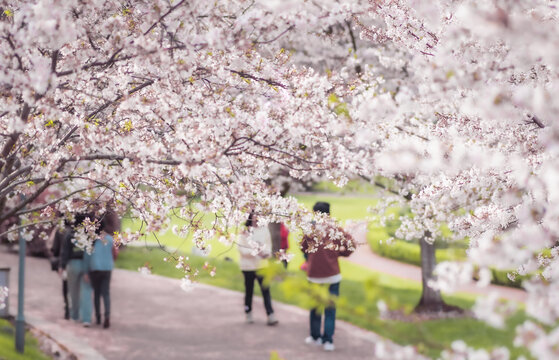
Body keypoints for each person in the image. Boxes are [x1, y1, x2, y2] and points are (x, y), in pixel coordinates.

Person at [301, 202, 354, 352]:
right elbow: (351, 245)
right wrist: (340, 253)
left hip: (315, 275)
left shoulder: (310, 230)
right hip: (332, 274)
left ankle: (315, 336)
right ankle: (328, 340)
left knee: (316, 307)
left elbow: (303, 248)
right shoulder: (335, 229)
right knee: (330, 309)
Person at [238, 212, 278, 326]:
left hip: (262, 266)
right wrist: (256, 253)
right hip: (248, 266)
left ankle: (270, 314)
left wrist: (265, 254)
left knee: (266, 290)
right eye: (255, 214)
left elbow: (269, 247)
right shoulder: (244, 231)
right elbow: (242, 250)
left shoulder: (264, 229)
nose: (257, 217)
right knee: (249, 291)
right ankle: (248, 312)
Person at [60, 213, 93, 327]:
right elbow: (89, 251)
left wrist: (62, 266)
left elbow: (65, 251)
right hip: (85, 263)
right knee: (86, 291)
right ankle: (86, 318)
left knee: (73, 292)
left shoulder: (70, 234)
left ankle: (74, 316)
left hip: (72, 263)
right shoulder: (88, 234)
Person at [84, 216, 116, 329]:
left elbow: (88, 254)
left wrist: (86, 271)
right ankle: (107, 315)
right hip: (107, 268)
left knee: (97, 294)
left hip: (95, 268)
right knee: (106, 293)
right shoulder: (110, 239)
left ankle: (98, 317)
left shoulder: (93, 239)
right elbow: (115, 254)